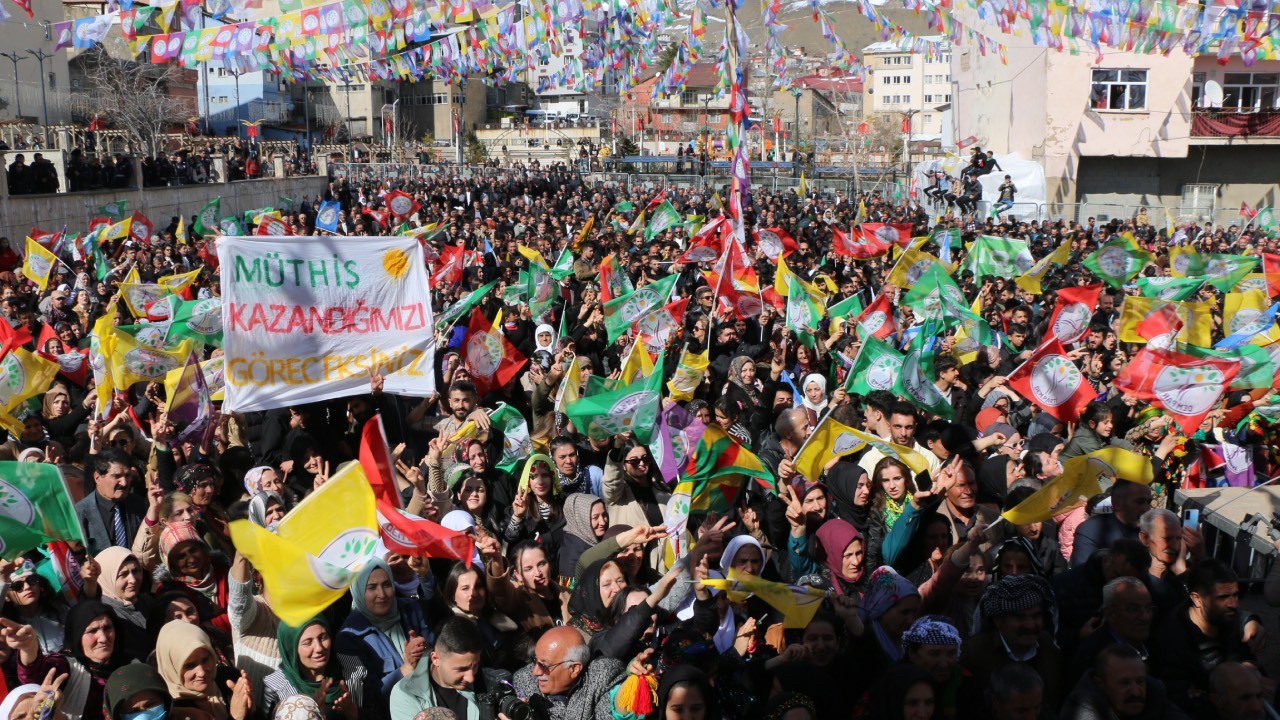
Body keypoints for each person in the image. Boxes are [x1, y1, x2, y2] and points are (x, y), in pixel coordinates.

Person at [337, 559, 432, 703]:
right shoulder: (347, 637)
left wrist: (425, 651)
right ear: (358, 590)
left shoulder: (411, 609)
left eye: (387, 585)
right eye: (372, 587)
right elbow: (361, 698)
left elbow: (438, 653)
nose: (382, 594)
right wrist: (405, 668)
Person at [389, 618, 513, 720]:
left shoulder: (491, 682)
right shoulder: (406, 694)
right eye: (461, 669)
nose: (470, 677)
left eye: (475, 666)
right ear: (435, 658)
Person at [262, 616, 366, 720]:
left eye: (323, 637)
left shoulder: (353, 669)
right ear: (291, 649)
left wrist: (355, 712)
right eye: (308, 642)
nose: (319, 648)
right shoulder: (277, 686)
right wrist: (308, 709)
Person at [510, 626, 622, 720]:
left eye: (544, 666)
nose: (535, 672)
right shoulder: (523, 680)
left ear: (574, 668)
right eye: (535, 660)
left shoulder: (605, 675)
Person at [1059, 644, 1188, 720]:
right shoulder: (1081, 713)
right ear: (1100, 684)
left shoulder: (1154, 695)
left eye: (1140, 681)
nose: (1136, 692)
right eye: (1125, 683)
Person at [75, 449, 147, 555]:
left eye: (127, 475)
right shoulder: (80, 513)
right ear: (97, 477)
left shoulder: (139, 504)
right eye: (116, 476)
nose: (124, 483)